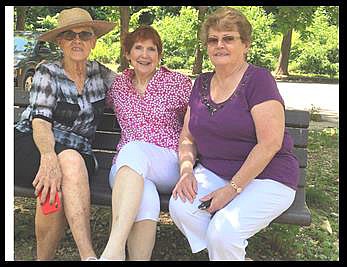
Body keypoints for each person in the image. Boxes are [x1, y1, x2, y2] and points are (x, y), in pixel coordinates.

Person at [169, 7, 299, 261]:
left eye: (228, 38)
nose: (220, 45)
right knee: (181, 208)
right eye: (213, 40)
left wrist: (232, 189)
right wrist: (186, 171)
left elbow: (269, 144)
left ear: (245, 44)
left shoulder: (259, 81)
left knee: (224, 232)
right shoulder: (201, 82)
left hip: (268, 177)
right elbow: (187, 136)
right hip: (215, 172)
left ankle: (226, 249)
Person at [14, 8, 116, 261]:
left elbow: (135, 90)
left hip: (78, 155)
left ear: (93, 41)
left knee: (65, 170)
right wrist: (48, 157)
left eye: (84, 35)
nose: (77, 40)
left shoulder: (101, 74)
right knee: (63, 169)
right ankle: (89, 256)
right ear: (60, 42)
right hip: (33, 145)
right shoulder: (48, 72)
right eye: (70, 35)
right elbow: (40, 121)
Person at [99, 25, 192, 261]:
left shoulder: (178, 83)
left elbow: (195, 126)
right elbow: (87, 73)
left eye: (152, 49)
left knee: (132, 149)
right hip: (126, 170)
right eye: (138, 48)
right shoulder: (118, 86)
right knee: (145, 195)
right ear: (127, 54)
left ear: (159, 56)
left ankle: (113, 250)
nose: (145, 54)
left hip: (168, 164)